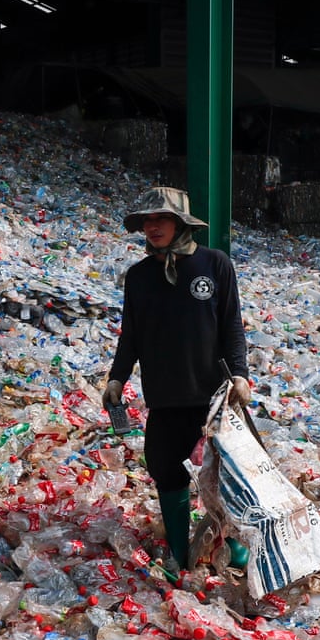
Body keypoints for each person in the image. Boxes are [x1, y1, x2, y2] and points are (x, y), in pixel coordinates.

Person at [102, 187, 250, 571]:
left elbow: (231, 327)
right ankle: (180, 552)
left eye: (161, 219)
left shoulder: (215, 265)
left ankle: (230, 546)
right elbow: (131, 333)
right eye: (147, 221)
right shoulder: (139, 276)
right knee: (166, 469)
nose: (152, 227)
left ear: (181, 223)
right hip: (165, 396)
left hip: (213, 397)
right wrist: (117, 378)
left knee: (222, 479)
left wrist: (240, 375)